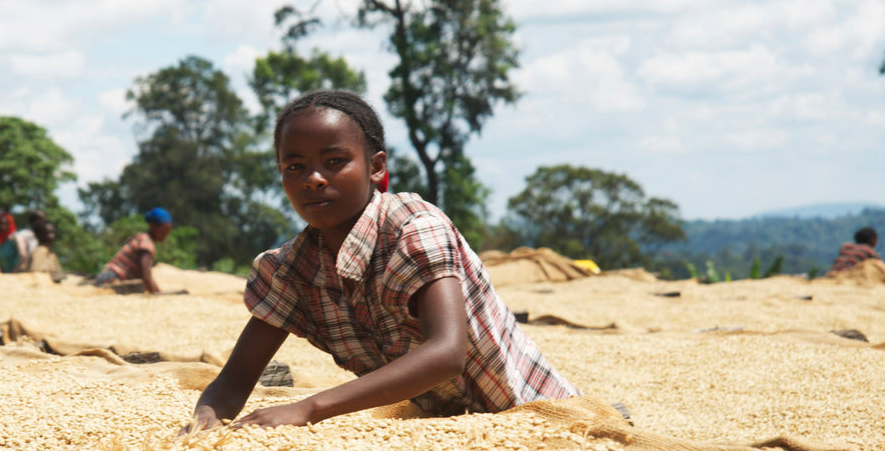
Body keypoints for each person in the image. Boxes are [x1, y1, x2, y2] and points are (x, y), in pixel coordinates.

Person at [190, 90, 577, 431]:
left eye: (335, 161)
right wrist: (204, 423)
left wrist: (309, 408)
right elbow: (235, 380)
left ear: (376, 167)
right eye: (295, 167)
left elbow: (446, 354)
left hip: (541, 419)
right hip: (452, 433)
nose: (313, 179)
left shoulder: (414, 229)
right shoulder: (291, 271)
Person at [93, 208, 173, 293]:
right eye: (163, 231)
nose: (165, 235)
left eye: (167, 232)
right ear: (153, 226)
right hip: (111, 278)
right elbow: (146, 277)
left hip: (106, 276)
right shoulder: (146, 244)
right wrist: (157, 294)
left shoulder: (142, 237)